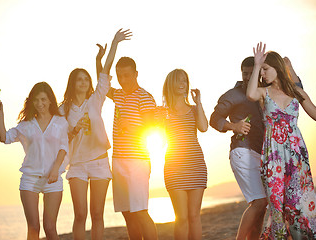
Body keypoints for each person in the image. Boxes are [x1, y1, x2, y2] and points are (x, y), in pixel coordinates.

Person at [59, 29, 132, 240]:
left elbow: (106, 70)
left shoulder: (96, 100)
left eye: (85, 79)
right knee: (80, 215)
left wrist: (114, 44)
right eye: (78, 79)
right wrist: (75, 129)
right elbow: (62, 139)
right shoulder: (63, 109)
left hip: (99, 162)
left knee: (97, 214)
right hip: (78, 164)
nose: (82, 82)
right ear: (72, 83)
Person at [246, 42, 316, 239]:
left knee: (298, 203)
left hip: (297, 156)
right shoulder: (264, 93)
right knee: (277, 204)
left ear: (277, 68)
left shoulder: (296, 92)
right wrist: (256, 65)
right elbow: (250, 93)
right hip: (273, 158)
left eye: (265, 69)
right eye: (261, 70)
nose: (262, 74)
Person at [0, 82, 68, 240]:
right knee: (33, 227)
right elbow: (4, 137)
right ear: (31, 102)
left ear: (50, 100)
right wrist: (0, 114)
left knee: (50, 228)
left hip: (53, 179)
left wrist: (56, 169)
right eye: (36, 100)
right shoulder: (26, 125)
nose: (39, 104)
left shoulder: (60, 122)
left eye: (43, 99)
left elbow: (64, 147)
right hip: (29, 179)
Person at [210, 57, 268, 240]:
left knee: (262, 205)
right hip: (242, 151)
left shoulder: (265, 93)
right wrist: (233, 126)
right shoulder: (232, 95)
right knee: (259, 202)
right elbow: (214, 119)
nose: (247, 77)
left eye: (252, 73)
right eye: (245, 73)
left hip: (262, 154)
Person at [106, 57, 158, 240]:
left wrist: (130, 125)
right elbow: (102, 83)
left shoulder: (145, 97)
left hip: (137, 161)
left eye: (127, 75)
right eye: (119, 76)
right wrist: (100, 60)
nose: (123, 80)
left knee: (141, 211)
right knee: (127, 213)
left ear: (136, 74)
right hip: (118, 160)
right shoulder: (118, 95)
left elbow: (152, 128)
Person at [159, 69, 208, 240]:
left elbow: (203, 127)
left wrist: (199, 103)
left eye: (185, 81)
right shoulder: (163, 112)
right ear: (170, 84)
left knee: (194, 216)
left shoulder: (194, 109)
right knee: (181, 218)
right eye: (178, 81)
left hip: (196, 166)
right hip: (174, 168)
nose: (182, 84)